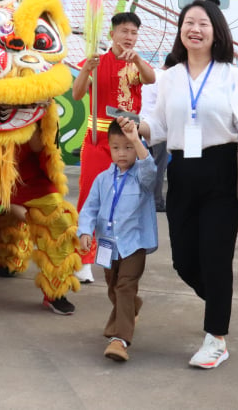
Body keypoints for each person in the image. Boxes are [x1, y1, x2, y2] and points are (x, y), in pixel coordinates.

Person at [133, 0, 238, 370]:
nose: (195, 29)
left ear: (216, 31)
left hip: (222, 169)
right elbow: (156, 125)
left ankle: (215, 337)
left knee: (217, 256)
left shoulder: (230, 74)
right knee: (185, 260)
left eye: (203, 23)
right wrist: (133, 126)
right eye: (189, 22)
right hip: (182, 171)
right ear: (181, 31)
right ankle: (220, 299)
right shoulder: (168, 76)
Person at [72, 12, 156, 283]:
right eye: (124, 32)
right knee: (89, 198)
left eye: (133, 33)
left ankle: (125, 255)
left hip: (130, 141)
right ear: (112, 34)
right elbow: (76, 94)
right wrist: (86, 68)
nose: (129, 37)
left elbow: (151, 78)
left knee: (129, 201)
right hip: (98, 140)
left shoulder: (137, 64)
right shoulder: (96, 63)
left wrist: (139, 60)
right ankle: (83, 259)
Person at [78, 119, 158, 362]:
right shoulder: (102, 179)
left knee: (124, 287)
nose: (122, 153)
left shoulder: (141, 177)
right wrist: (85, 231)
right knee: (114, 288)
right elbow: (90, 208)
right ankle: (132, 306)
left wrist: (136, 139)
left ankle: (119, 340)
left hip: (134, 245)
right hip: (108, 245)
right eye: (116, 148)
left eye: (128, 147)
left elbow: (150, 170)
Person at [141, 53, 177, 212]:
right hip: (158, 127)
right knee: (159, 166)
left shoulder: (152, 73)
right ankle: (156, 201)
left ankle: (144, 199)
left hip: (142, 123)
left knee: (145, 165)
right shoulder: (166, 79)